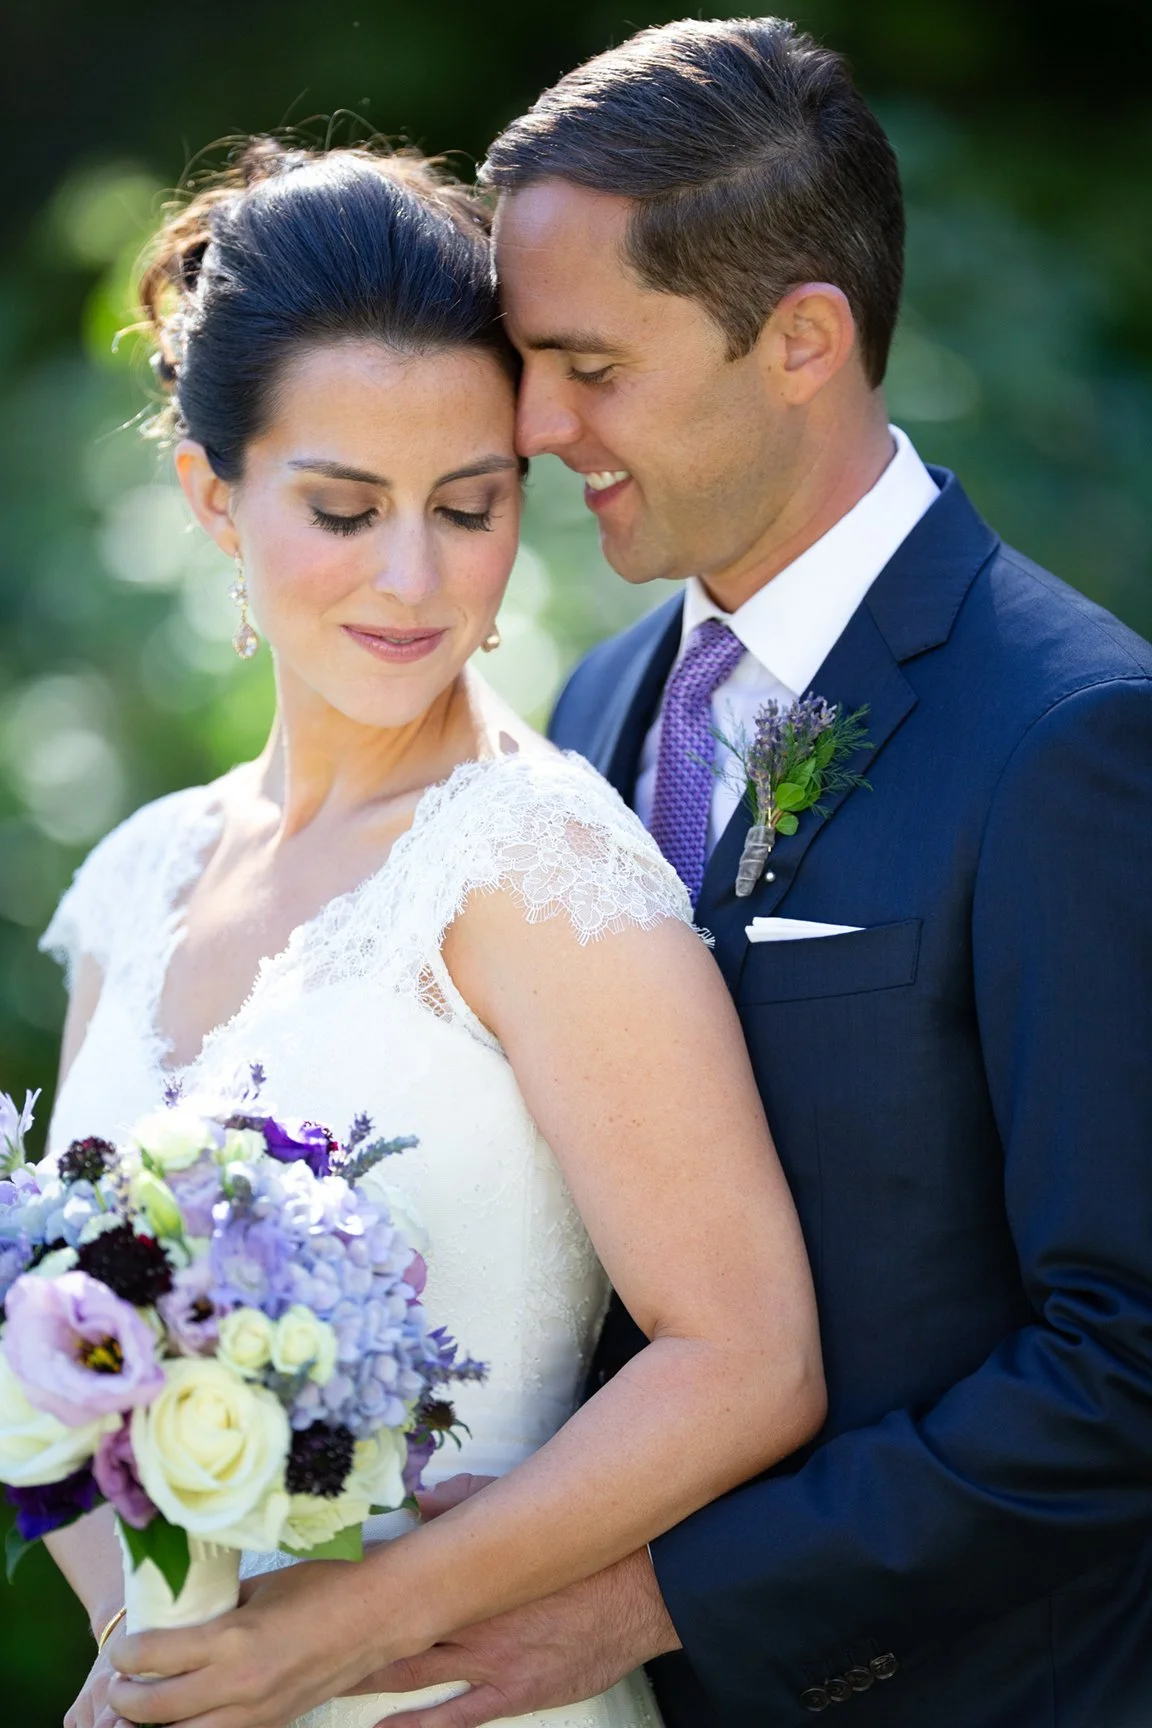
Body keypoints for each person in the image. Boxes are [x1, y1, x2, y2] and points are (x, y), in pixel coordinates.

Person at [355, 17, 1152, 1728]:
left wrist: (650, 1603)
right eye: (525, 357)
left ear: (801, 340)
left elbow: (1126, 1365)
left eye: (595, 366)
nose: (537, 421)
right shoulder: (587, 710)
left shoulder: (1072, 738)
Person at [43, 140, 825, 1728]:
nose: (415, 580)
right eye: (342, 509)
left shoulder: (533, 864)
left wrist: (350, 1634)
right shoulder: (134, 880)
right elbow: (64, 1356)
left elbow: (746, 1358)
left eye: (469, 508)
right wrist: (162, 1656)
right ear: (213, 494)